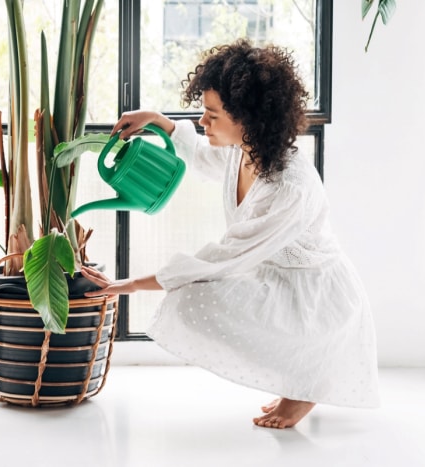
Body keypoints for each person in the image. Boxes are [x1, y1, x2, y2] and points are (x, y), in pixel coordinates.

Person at [81, 38, 380, 429]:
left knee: (188, 299)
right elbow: (205, 158)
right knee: (188, 299)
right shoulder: (246, 149)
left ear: (250, 117)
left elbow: (222, 258)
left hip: (314, 301)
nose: (203, 122)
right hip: (272, 279)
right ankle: (300, 376)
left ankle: (309, 381)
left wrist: (132, 285)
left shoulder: (289, 187)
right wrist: (157, 120)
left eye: (212, 114)